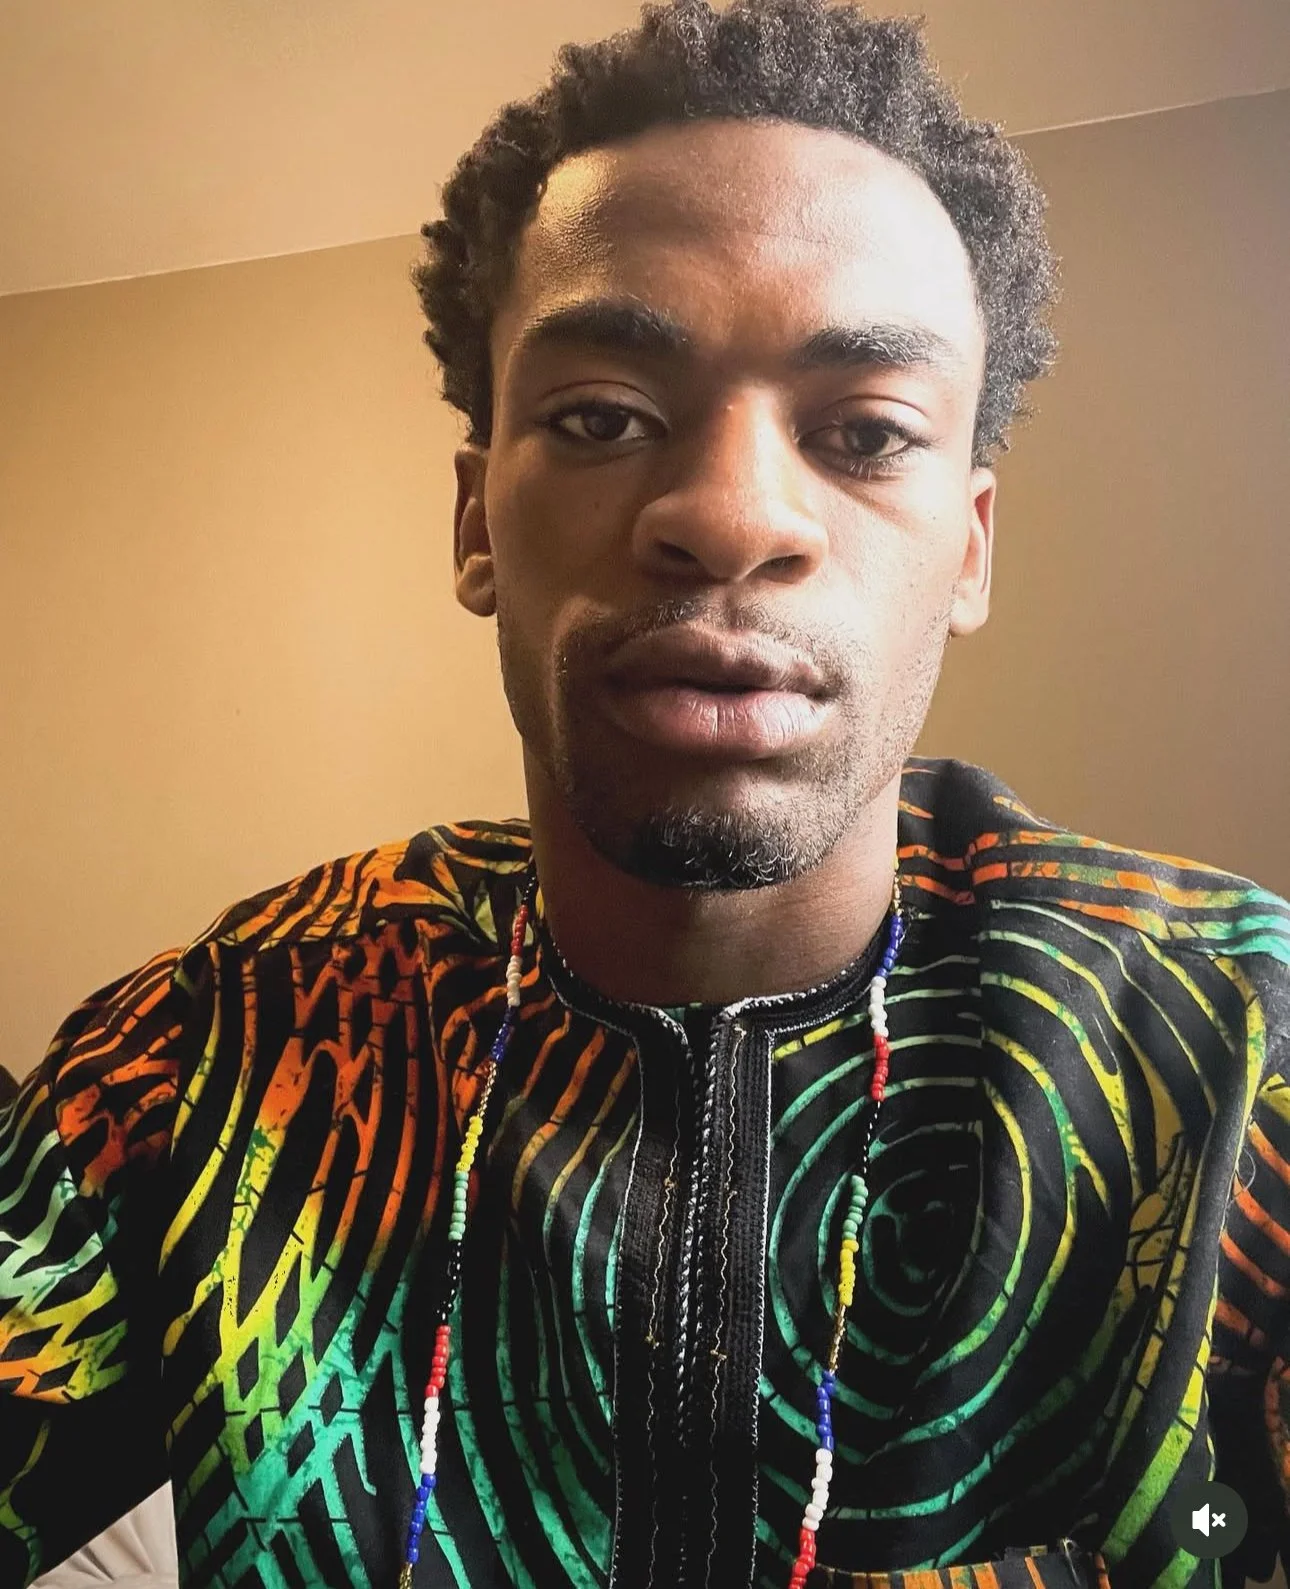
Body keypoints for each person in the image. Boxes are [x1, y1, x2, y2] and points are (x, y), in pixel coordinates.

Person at [3, 2, 1289, 1586]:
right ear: (477, 521)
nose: (728, 516)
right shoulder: (200, 1060)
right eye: (601, 417)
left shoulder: (1240, 1053)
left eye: (865, 432)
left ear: (968, 550)